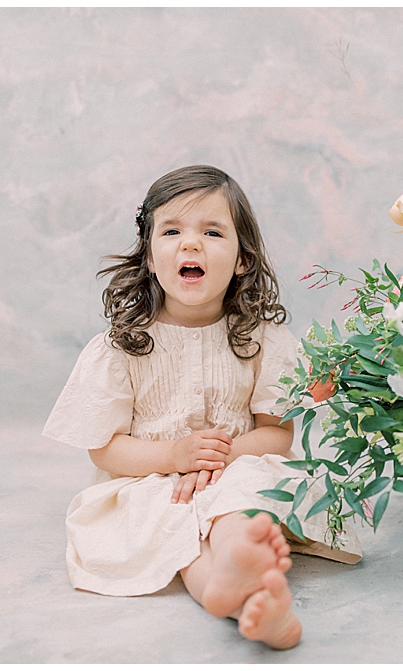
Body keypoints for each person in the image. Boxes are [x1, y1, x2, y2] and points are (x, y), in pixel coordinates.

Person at [43, 165, 360, 650]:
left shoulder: (262, 338)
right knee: (168, 519)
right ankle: (226, 592)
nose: (190, 245)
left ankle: (238, 562)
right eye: (171, 231)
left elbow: (276, 434)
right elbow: (104, 449)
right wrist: (174, 457)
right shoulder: (122, 345)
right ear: (150, 255)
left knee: (249, 491)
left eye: (212, 232)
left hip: (233, 465)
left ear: (241, 260)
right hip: (150, 479)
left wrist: (219, 456)